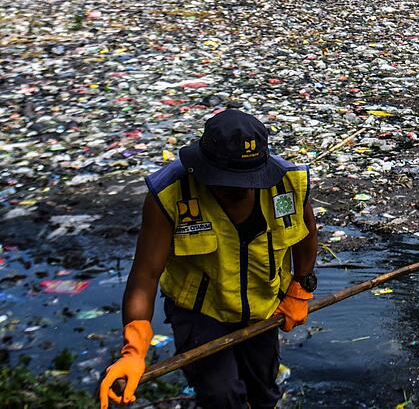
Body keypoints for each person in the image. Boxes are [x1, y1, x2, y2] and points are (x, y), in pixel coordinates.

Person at [99, 109, 318, 409]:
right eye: (227, 182)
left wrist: (301, 288)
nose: (238, 190)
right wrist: (134, 349)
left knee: (264, 393)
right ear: (204, 169)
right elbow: (145, 276)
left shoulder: (289, 183)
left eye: (247, 181)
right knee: (220, 395)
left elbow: (306, 235)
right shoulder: (170, 193)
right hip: (200, 312)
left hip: (263, 305)